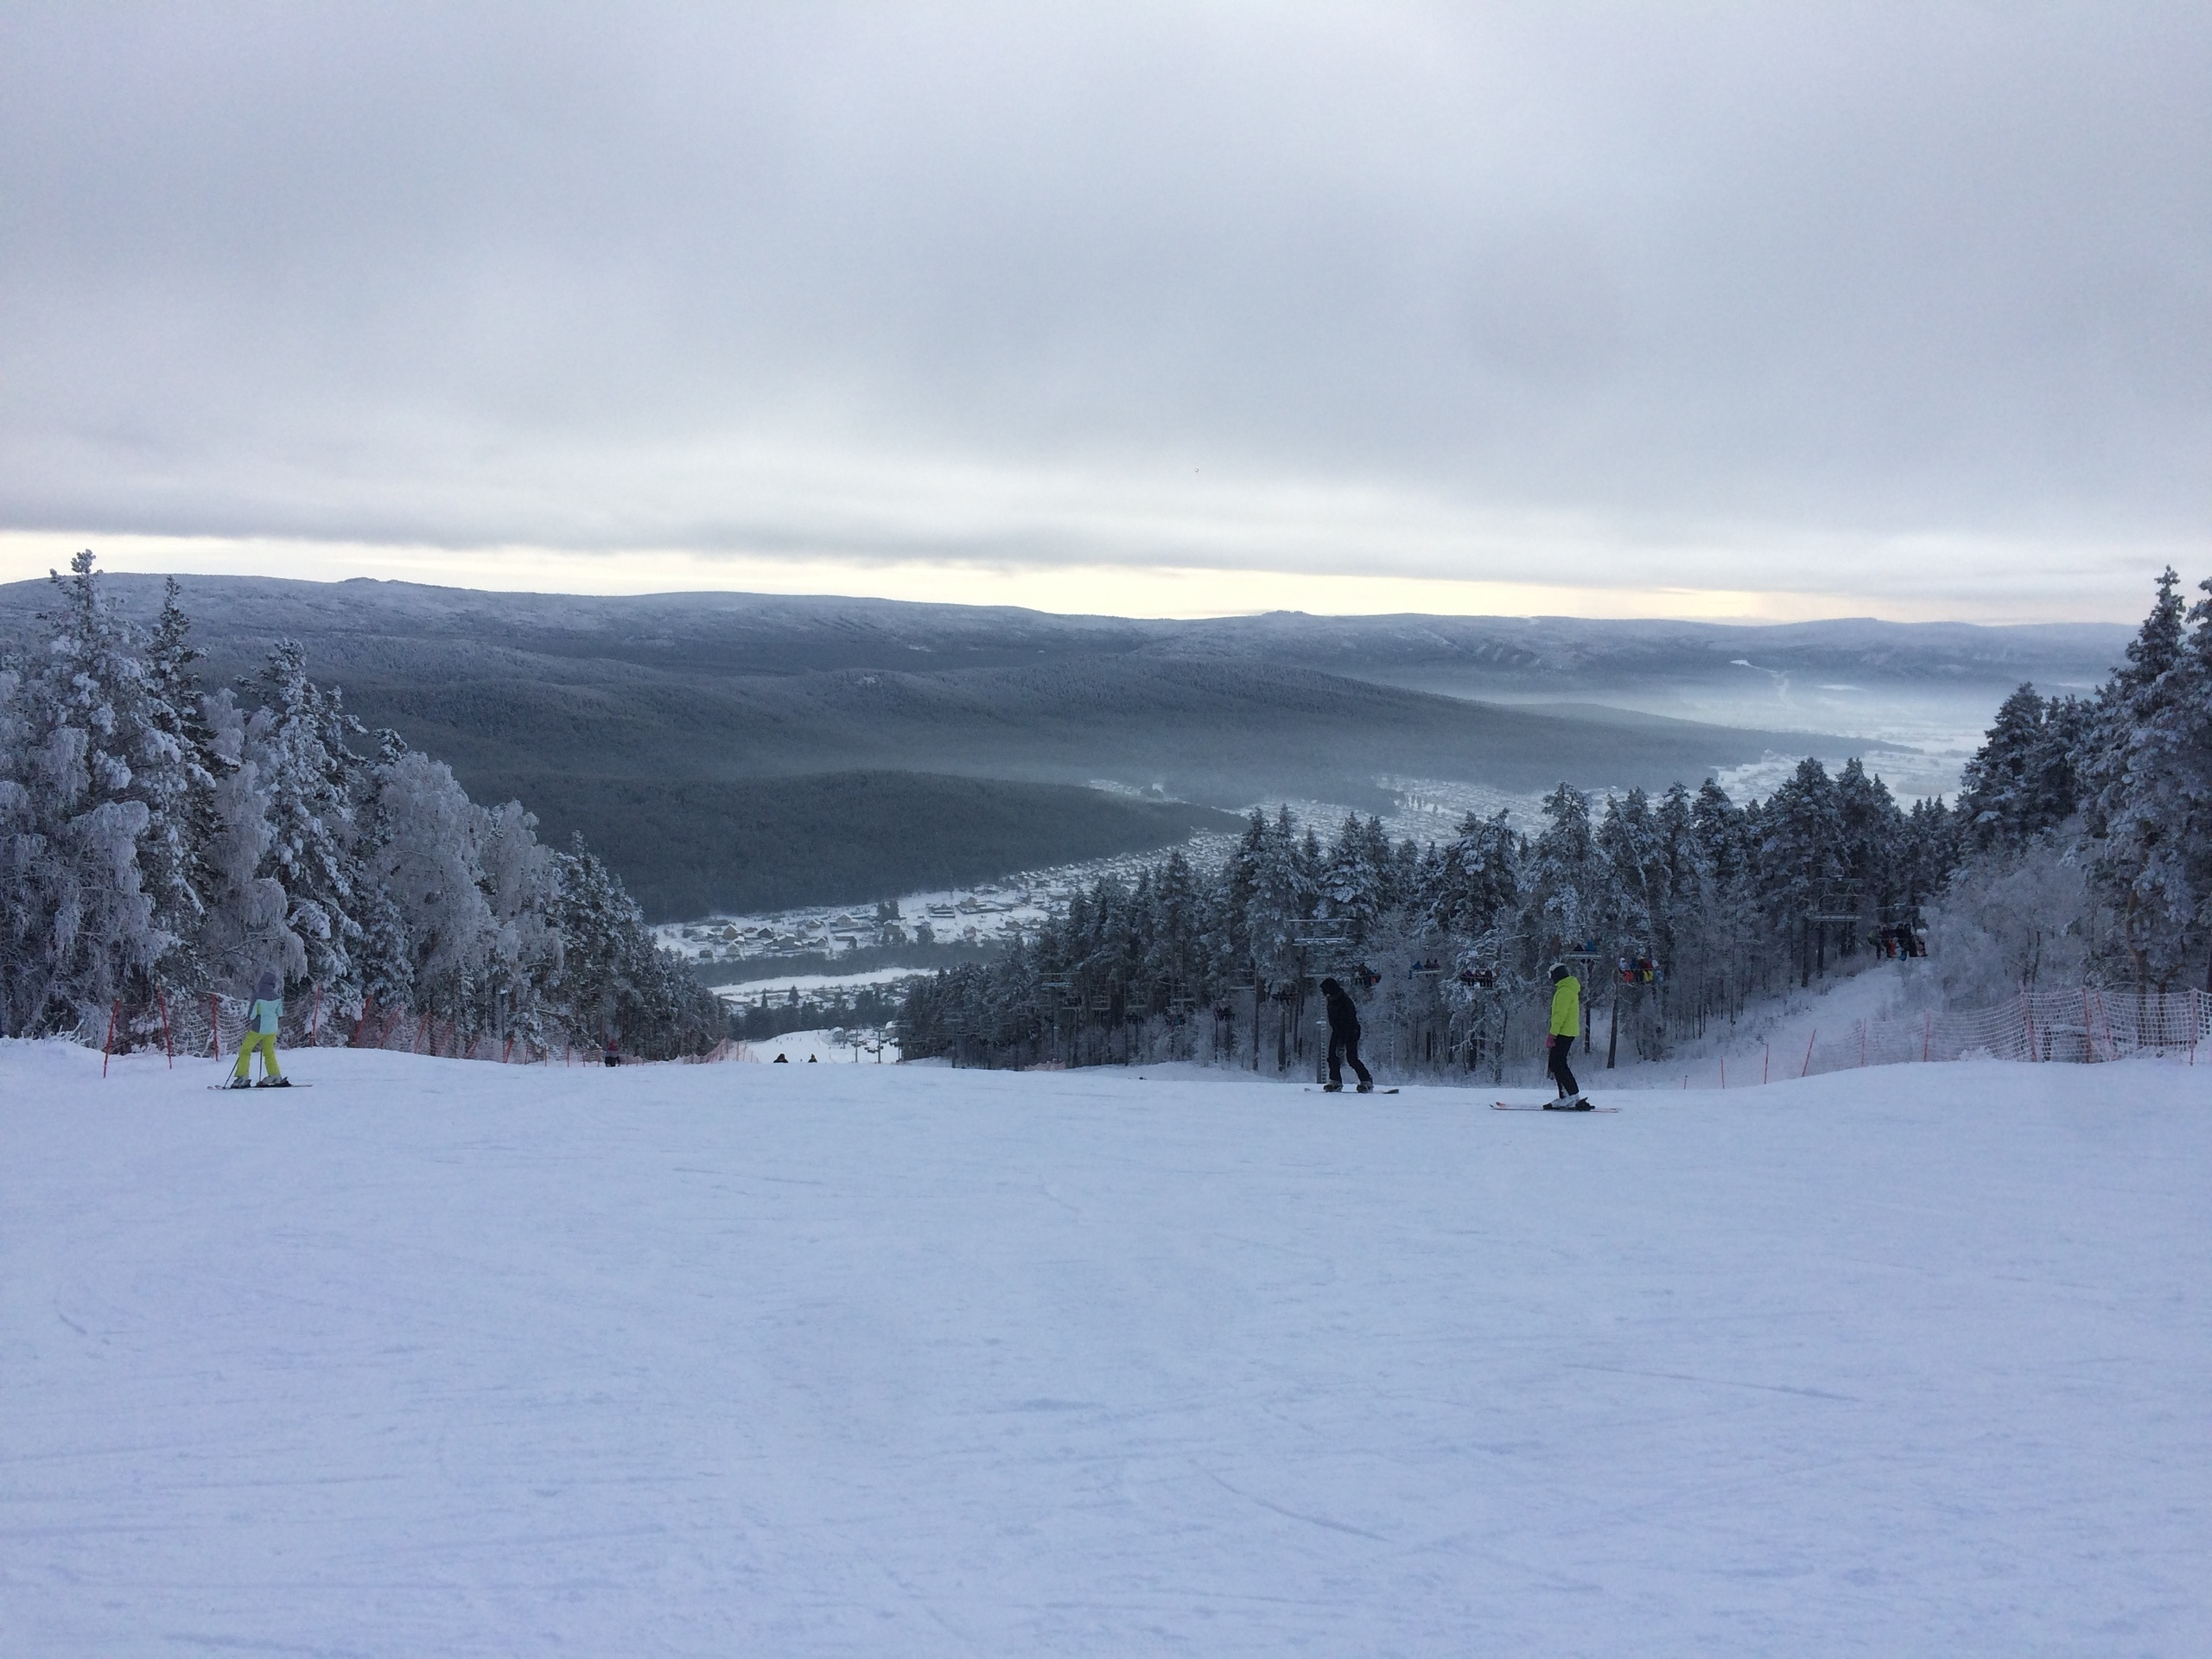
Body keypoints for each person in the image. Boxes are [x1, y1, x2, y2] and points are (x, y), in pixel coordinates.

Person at [229, 968, 291, 1090]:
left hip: (258, 1029)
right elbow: (280, 1013)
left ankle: (243, 1077)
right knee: (269, 1052)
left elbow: (251, 1015)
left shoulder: (257, 996)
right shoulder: (277, 997)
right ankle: (275, 1076)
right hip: (272, 1029)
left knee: (245, 1051)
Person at [1318, 976, 1374, 1094]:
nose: (1325, 995)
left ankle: (1366, 1081)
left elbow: (1350, 1019)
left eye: (1325, 992)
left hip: (1351, 1030)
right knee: (1332, 1056)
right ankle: (1335, 1081)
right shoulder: (1331, 1001)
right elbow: (1332, 1021)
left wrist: (1344, 1037)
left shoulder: (1345, 1001)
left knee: (1352, 1058)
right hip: (1337, 1030)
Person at [1545, 963, 1586, 1109]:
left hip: (1563, 1032)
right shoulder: (1569, 988)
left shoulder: (1564, 991)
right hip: (1568, 1031)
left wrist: (1552, 1034)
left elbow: (1559, 1015)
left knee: (1557, 1064)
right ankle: (1573, 1095)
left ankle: (1568, 1096)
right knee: (1559, 1064)